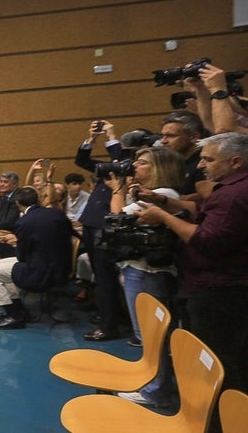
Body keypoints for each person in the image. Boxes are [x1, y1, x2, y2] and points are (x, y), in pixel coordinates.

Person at [135, 132, 248, 403]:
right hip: (222, 287)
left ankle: (221, 420)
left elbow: (205, 239)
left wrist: (162, 217)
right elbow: (205, 215)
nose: (200, 165)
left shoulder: (233, 195)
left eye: (208, 159)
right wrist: (165, 202)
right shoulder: (232, 189)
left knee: (218, 361)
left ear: (235, 161)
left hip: (219, 292)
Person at [105, 147, 184, 407]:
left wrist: (117, 187)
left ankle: (156, 390)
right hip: (140, 269)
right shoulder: (151, 194)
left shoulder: (163, 195)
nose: (134, 167)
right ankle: (154, 383)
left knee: (152, 335)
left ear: (158, 167)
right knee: (149, 335)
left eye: (141, 163)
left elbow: (116, 218)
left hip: (150, 272)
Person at [0, 187, 74, 330]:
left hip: (41, 273)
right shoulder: (58, 214)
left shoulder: (24, 221)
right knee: (0, 263)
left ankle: (14, 315)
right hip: (62, 268)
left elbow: (21, 255)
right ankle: (20, 310)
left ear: (18, 203)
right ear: (37, 199)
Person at [75, 120, 124, 341]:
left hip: (105, 229)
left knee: (106, 279)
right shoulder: (108, 174)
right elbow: (81, 160)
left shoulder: (124, 171)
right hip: (91, 226)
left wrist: (111, 134)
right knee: (100, 277)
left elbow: (120, 160)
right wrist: (92, 138)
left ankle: (109, 325)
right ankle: (106, 315)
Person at [159, 110, 210, 200]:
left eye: (171, 136)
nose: (163, 141)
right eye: (162, 136)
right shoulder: (171, 162)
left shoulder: (206, 161)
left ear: (194, 137)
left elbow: (208, 196)